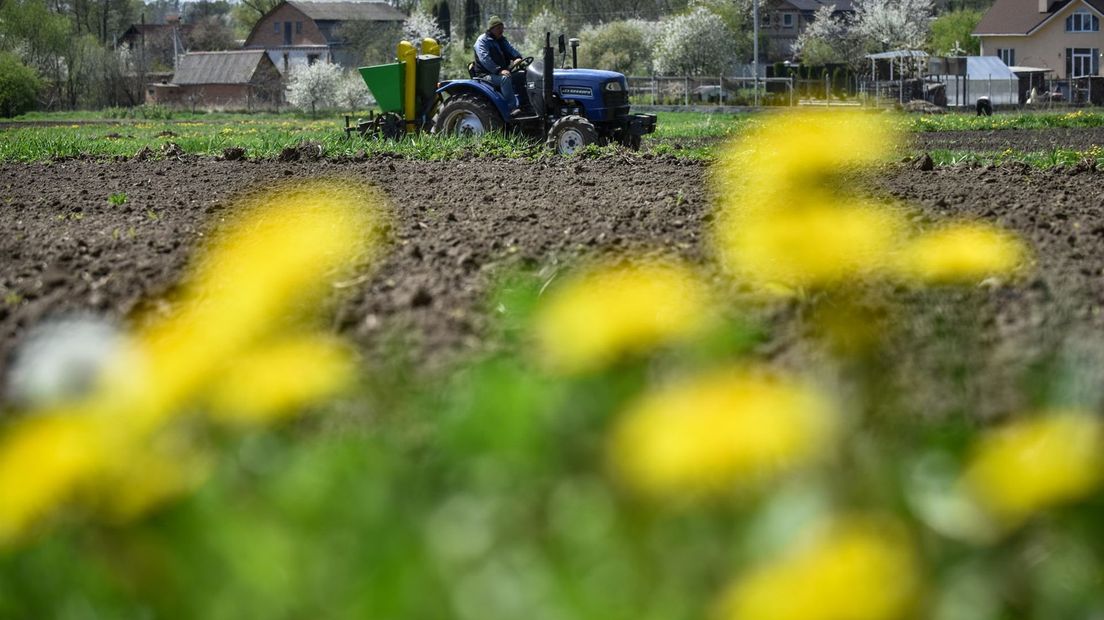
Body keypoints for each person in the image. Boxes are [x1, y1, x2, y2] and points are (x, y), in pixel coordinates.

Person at [474, 16, 530, 115]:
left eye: (502, 27)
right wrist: (498, 70)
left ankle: (526, 104)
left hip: (502, 72)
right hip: (486, 75)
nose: (501, 30)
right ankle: (511, 109)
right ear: (491, 29)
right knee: (505, 79)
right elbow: (485, 59)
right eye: (498, 28)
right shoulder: (482, 41)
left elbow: (510, 49)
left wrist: (517, 57)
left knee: (523, 75)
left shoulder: (501, 40)